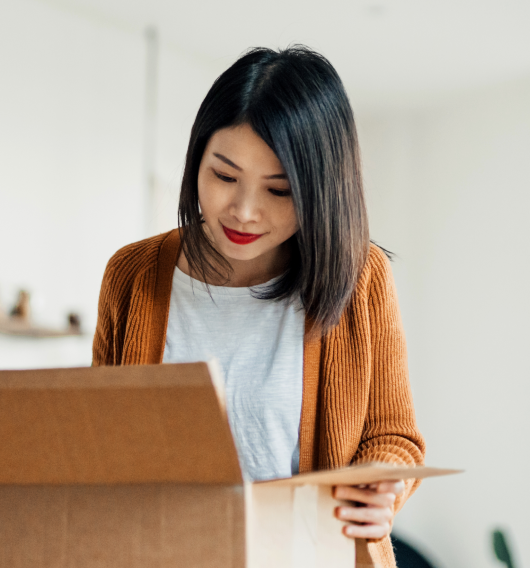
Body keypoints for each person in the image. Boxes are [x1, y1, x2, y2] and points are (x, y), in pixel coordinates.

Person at [92, 45, 425, 568]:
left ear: (321, 192)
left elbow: (394, 438)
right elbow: (100, 437)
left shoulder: (359, 280)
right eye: (224, 176)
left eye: (280, 189)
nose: (244, 211)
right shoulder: (132, 276)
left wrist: (382, 489)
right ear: (196, 159)